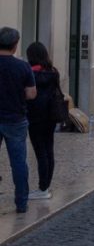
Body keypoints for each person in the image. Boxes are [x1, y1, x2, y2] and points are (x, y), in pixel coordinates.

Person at [0, 26, 36, 214]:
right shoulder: (22, 66)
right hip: (15, 119)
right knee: (19, 163)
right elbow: (31, 94)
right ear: (15, 46)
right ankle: (21, 203)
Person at [25, 42, 63, 200]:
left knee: (40, 152)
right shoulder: (53, 72)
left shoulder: (30, 73)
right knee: (49, 150)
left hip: (35, 117)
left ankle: (42, 189)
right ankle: (46, 186)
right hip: (51, 116)